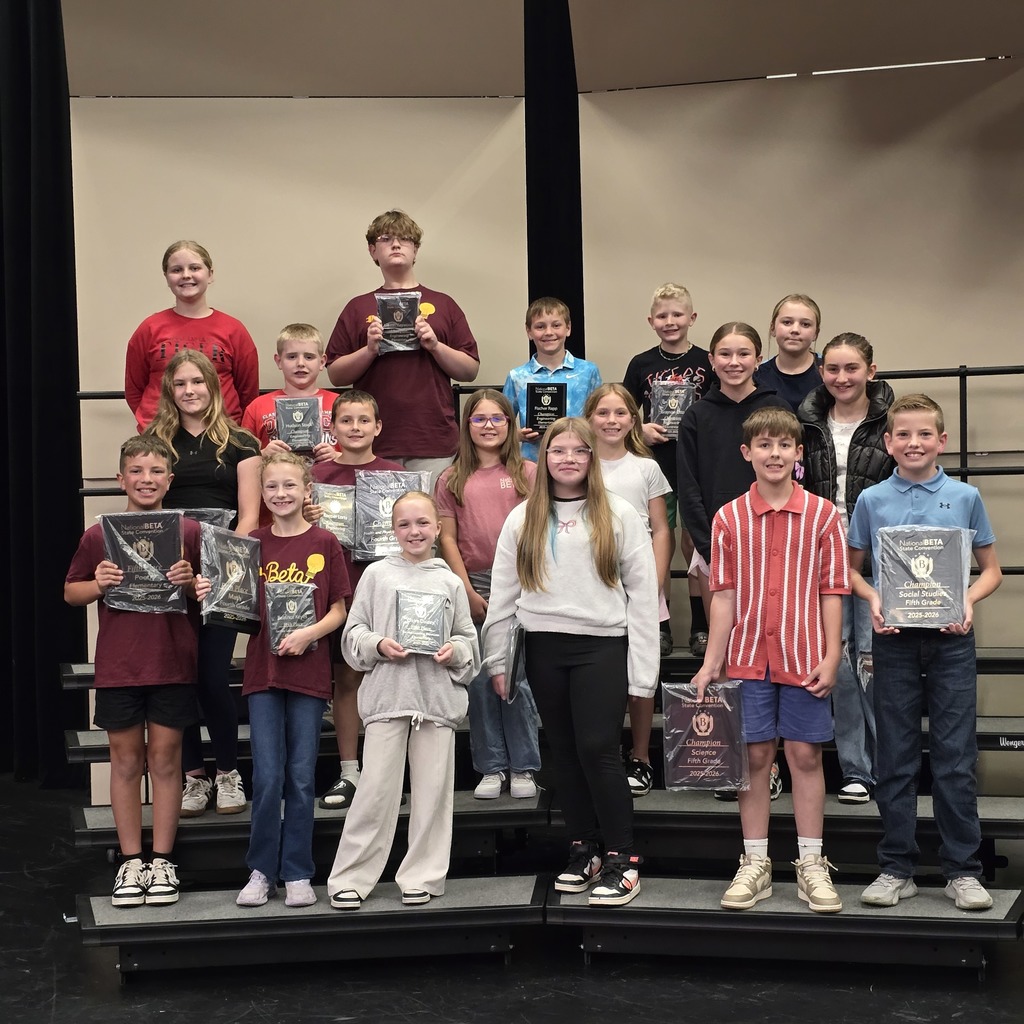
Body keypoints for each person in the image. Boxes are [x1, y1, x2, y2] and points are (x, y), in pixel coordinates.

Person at [482, 418, 659, 906]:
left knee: (599, 749)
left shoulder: (619, 513)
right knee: (562, 753)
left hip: (601, 646)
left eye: (579, 452)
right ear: (544, 458)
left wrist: (644, 674)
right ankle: (584, 849)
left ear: (591, 458)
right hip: (543, 647)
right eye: (558, 450)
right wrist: (497, 661)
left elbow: (643, 596)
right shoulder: (522, 518)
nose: (568, 459)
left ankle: (624, 858)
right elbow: (502, 596)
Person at [692, 407, 850, 914]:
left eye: (784, 445)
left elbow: (832, 591)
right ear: (747, 454)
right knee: (755, 759)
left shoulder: (824, 515)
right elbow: (723, 595)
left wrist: (832, 654)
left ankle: (810, 863)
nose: (774, 454)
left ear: (798, 453)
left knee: (804, 757)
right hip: (746, 659)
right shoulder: (728, 518)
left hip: (805, 658)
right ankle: (756, 862)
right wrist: (711, 661)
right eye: (764, 445)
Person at [848, 394, 1002, 911]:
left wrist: (968, 600)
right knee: (894, 757)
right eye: (903, 435)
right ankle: (897, 866)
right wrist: (873, 599)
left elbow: (992, 571)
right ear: (888, 443)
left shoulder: (965, 496)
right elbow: (851, 571)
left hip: (952, 642)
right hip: (893, 643)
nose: (914, 443)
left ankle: (963, 870)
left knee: (955, 760)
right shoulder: (871, 500)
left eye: (924, 435)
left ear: (942, 440)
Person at [64, 436, 209, 907]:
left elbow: (209, 596)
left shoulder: (188, 531)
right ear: (120, 478)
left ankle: (162, 859)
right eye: (137, 471)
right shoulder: (97, 534)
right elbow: (71, 593)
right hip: (119, 666)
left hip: (172, 663)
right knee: (125, 763)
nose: (146, 480)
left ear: (170, 479)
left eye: (155, 472)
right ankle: (130, 860)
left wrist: (192, 585)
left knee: (166, 762)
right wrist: (97, 583)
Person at [327, 492, 479, 910]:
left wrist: (456, 652)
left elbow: (468, 640)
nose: (414, 531)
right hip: (388, 701)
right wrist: (378, 644)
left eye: (422, 523)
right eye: (405, 524)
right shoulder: (376, 575)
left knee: (432, 795)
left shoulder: (449, 581)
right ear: (393, 530)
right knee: (374, 791)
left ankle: (423, 876)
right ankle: (352, 877)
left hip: (435, 703)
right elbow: (352, 635)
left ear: (438, 528)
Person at [144, 350, 262, 816]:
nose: (189, 391)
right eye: (180, 384)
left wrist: (227, 567)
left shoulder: (240, 442)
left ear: (213, 385)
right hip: (170, 573)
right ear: (169, 391)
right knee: (180, 678)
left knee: (213, 677)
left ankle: (228, 772)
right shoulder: (155, 440)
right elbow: (146, 507)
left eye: (197, 382)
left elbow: (250, 514)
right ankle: (194, 777)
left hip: (221, 572)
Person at [235, 453, 350, 908]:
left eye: (289, 486)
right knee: (266, 776)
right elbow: (236, 609)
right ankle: (261, 870)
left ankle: (298, 872)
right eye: (271, 488)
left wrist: (309, 634)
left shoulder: (325, 541)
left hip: (309, 672)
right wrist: (211, 596)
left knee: (301, 778)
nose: (280, 494)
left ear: (307, 492)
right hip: (263, 674)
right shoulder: (251, 544)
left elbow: (340, 609)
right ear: (262, 495)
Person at [798, 333, 895, 804]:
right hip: (819, 557)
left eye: (852, 368)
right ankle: (856, 768)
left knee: (873, 662)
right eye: (833, 369)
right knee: (834, 659)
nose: (842, 377)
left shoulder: (890, 423)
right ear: (822, 372)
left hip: (876, 561)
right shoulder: (806, 422)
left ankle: (890, 767)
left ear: (870, 372)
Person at [324, 210, 480, 490]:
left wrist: (435, 345)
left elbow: (469, 370)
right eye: (386, 239)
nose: (396, 245)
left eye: (404, 239)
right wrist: (369, 349)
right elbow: (335, 374)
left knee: (427, 527)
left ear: (415, 249)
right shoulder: (357, 307)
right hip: (372, 442)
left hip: (433, 440)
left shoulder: (444, 304)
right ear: (373, 251)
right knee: (376, 530)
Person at [435, 389, 540, 799]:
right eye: (479, 419)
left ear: (511, 425)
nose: (489, 426)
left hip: (519, 585)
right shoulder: (451, 477)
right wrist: (464, 588)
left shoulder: (528, 472)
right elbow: (447, 537)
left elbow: (537, 530)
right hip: (473, 585)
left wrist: (522, 586)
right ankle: (492, 767)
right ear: (467, 426)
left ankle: (525, 766)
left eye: (498, 418)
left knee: (515, 677)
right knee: (480, 680)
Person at [306, 391, 404, 809]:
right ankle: (350, 772)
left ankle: (386, 773)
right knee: (345, 680)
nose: (356, 428)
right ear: (334, 427)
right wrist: (307, 519)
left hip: (382, 589)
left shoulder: (396, 475)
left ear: (378, 427)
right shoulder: (317, 476)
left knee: (385, 682)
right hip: (334, 590)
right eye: (346, 421)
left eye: (364, 421)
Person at [584, 383, 671, 799]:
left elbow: (661, 529)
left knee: (641, 672)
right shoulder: (579, 465)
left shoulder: (646, 467)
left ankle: (641, 756)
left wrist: (653, 583)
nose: (612, 420)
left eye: (620, 413)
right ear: (589, 419)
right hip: (592, 586)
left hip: (640, 585)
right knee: (603, 676)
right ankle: (607, 755)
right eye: (603, 413)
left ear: (633, 420)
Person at [623, 283, 712, 658]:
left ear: (692, 318)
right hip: (655, 466)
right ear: (651, 321)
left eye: (678, 315)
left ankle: (700, 628)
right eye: (663, 316)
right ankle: (658, 624)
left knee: (696, 544)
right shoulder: (641, 364)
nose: (670, 321)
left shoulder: (710, 361)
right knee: (654, 544)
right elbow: (623, 411)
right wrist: (638, 428)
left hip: (699, 466)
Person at [125, 240, 259, 431]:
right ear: (166, 277)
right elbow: (134, 389)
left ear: (210, 274)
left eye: (195, 268)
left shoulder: (233, 330)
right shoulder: (149, 328)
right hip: (161, 434)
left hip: (221, 433)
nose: (186, 275)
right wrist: (153, 423)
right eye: (176, 270)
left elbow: (248, 392)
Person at [502, 298, 603, 462]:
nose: (549, 332)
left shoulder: (588, 371)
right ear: (529, 331)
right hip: (532, 463)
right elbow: (501, 424)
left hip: (577, 460)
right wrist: (518, 435)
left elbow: (599, 418)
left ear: (568, 328)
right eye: (540, 326)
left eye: (556, 325)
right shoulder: (517, 377)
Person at [754, 294, 822, 412]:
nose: (795, 330)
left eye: (805, 324)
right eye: (787, 322)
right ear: (772, 328)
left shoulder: (829, 374)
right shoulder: (757, 376)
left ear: (816, 333)